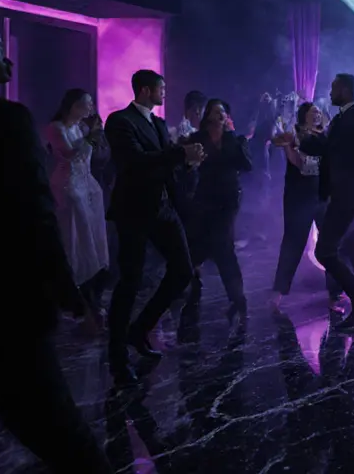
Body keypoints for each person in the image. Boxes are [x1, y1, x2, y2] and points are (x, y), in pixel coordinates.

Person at [0, 11, 112, 473]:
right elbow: (34, 217)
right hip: (2, 309)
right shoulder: (4, 118)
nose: (6, 57)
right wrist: (70, 295)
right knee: (70, 443)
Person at [106, 69, 204, 385]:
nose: (165, 92)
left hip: (162, 209)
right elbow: (135, 162)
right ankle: (117, 357)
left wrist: (188, 164)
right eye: (161, 87)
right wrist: (180, 153)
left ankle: (140, 329)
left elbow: (166, 168)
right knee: (130, 281)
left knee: (183, 271)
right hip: (133, 210)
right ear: (146, 91)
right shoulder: (119, 121)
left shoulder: (159, 124)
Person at [275, 73, 354, 330]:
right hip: (341, 196)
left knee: (328, 250)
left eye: (334, 87)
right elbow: (322, 147)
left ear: (345, 90)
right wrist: (295, 140)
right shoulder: (339, 119)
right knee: (340, 248)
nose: (330, 91)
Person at [272, 102, 354, 312]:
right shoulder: (295, 133)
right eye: (313, 112)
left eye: (319, 112)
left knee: (330, 244)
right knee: (293, 242)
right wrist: (287, 145)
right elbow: (293, 157)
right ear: (304, 116)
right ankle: (278, 292)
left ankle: (335, 294)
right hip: (298, 196)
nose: (317, 115)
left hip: (323, 195)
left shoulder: (325, 137)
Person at [180, 99, 253, 337]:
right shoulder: (197, 138)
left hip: (228, 200)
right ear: (208, 115)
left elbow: (246, 165)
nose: (220, 114)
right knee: (198, 249)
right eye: (216, 111)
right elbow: (186, 168)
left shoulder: (235, 138)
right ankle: (192, 296)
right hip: (204, 199)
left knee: (223, 246)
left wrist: (232, 135)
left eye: (224, 111)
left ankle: (239, 301)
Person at [43, 88, 111, 316]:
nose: (91, 108)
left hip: (88, 185)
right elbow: (70, 154)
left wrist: (97, 136)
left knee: (91, 237)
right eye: (86, 104)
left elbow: (96, 157)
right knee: (75, 238)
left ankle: (90, 292)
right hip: (68, 186)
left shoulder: (82, 128)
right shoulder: (56, 128)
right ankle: (76, 293)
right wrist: (90, 136)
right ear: (73, 105)